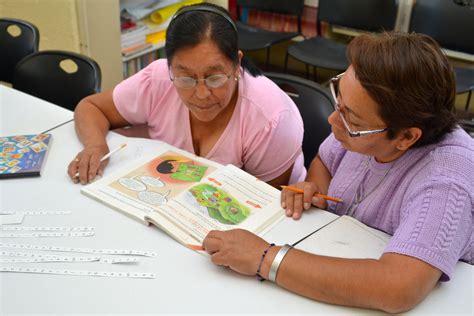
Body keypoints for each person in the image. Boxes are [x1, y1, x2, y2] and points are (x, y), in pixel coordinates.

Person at [202, 32, 473, 313]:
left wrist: (263, 257)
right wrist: (316, 187)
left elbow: (398, 288)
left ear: (405, 137)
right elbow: (325, 160)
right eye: (339, 102)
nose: (333, 121)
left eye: (350, 118)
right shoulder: (361, 129)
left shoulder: (446, 180)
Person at [67, 3, 305, 187]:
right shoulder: (157, 79)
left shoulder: (271, 119)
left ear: (237, 64)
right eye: (185, 78)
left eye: (214, 77)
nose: (201, 94)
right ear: (169, 67)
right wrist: (96, 146)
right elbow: (92, 107)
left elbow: (266, 207)